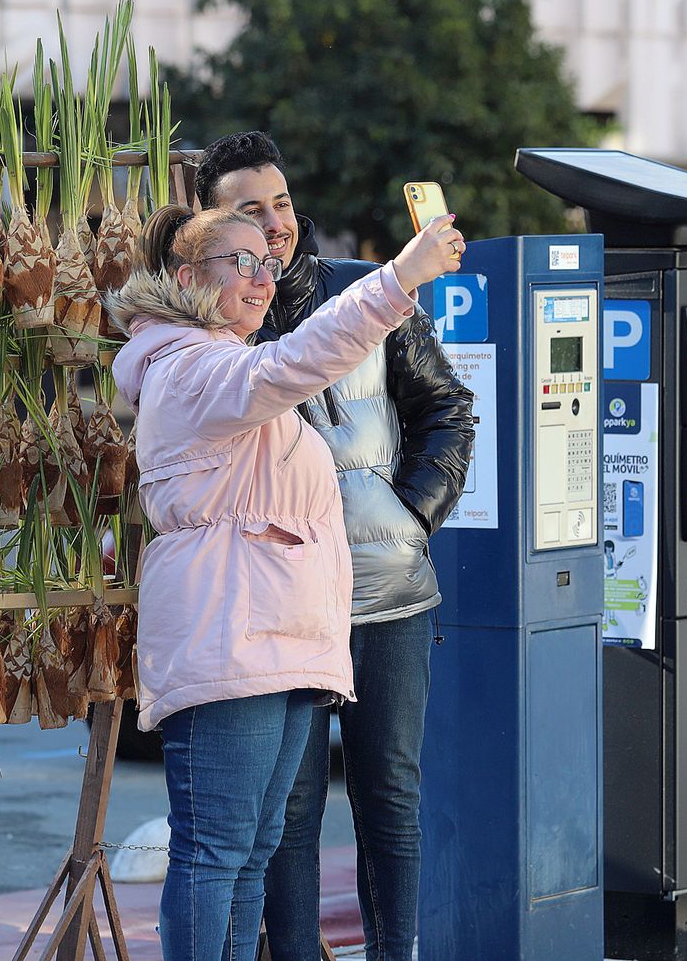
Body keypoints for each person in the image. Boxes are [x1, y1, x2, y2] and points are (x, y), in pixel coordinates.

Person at [106, 203, 467, 961]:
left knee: (250, 853)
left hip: (273, 639)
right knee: (218, 852)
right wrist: (401, 277)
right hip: (231, 640)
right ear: (185, 279)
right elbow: (296, 361)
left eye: (267, 262)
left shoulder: (217, 361)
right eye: (240, 261)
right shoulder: (192, 366)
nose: (262, 276)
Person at [195, 132, 475, 961]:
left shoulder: (368, 294)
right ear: (215, 223)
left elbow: (449, 409)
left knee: (390, 794)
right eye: (250, 209)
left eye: (280, 203)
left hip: (388, 594)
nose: (274, 223)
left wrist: (408, 513)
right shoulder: (214, 330)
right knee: (289, 807)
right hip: (282, 604)